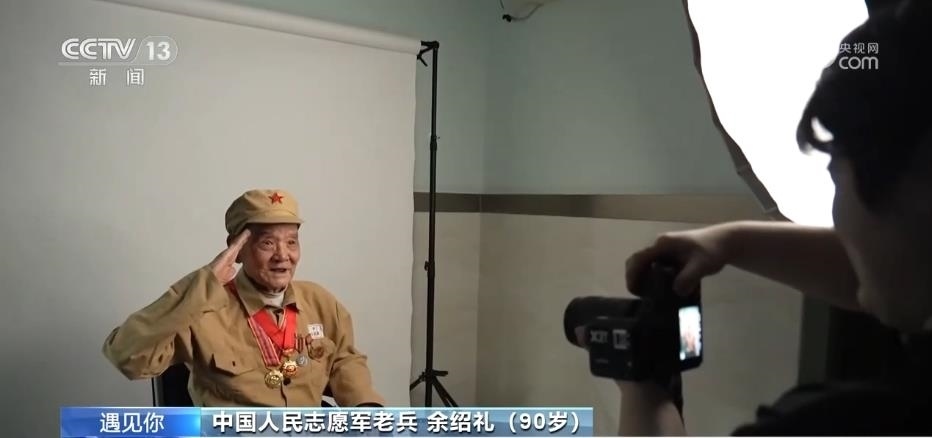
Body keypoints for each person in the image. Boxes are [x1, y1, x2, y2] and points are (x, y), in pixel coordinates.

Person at [580, 0, 932, 435]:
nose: (838, 219)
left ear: (916, 190)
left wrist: (643, 388)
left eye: (836, 176)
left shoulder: (839, 424)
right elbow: (885, 269)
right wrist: (732, 243)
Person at [102, 189, 385, 408]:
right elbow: (126, 357)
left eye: (291, 242)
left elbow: (344, 360)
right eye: (267, 243)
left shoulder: (319, 301)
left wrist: (365, 407)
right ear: (237, 250)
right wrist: (204, 282)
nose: (282, 255)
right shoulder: (202, 310)